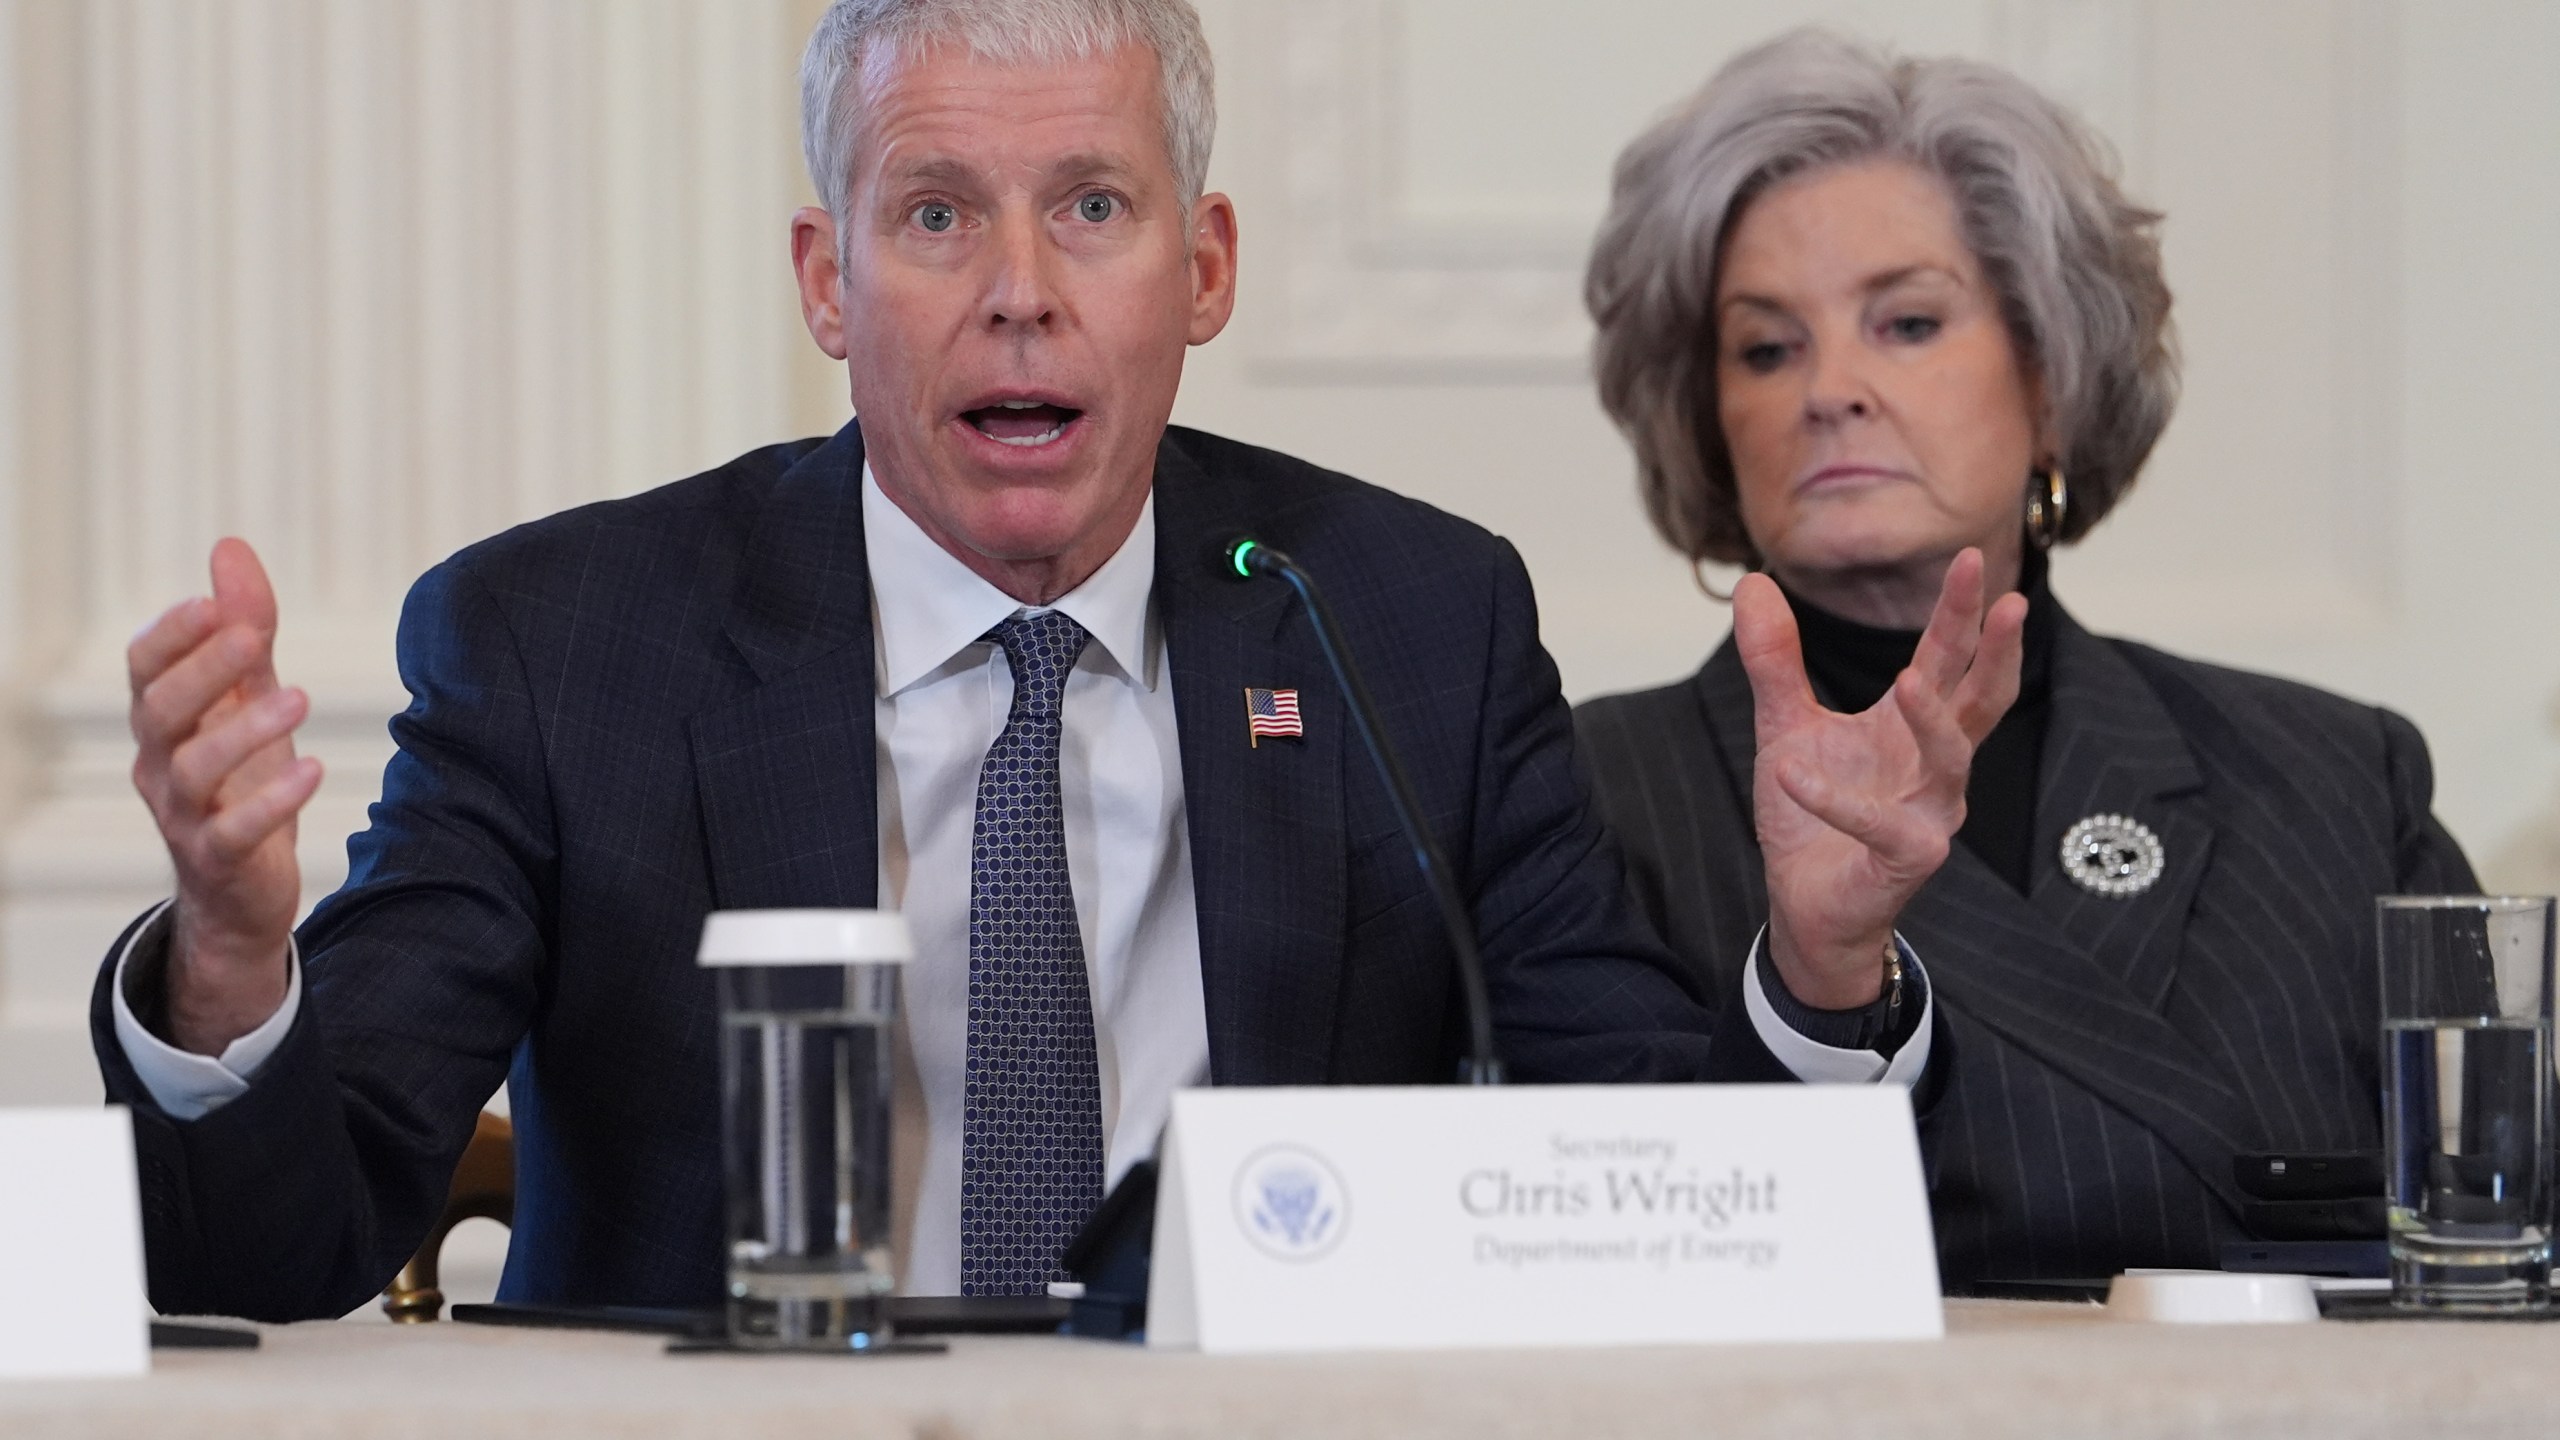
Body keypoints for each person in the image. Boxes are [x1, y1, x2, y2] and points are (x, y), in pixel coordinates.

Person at [99, 1, 2016, 1321]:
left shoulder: (1408, 622)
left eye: (1092, 207)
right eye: (936, 213)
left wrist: (1826, 966)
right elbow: (280, 1253)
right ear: (829, 284)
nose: (1021, 285)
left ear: (1202, 268)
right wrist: (230, 961)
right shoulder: (564, 643)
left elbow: (1668, 1221)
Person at [1575, 28, 2477, 1287]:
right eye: (1765, 347)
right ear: (1708, 422)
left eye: (1905, 322)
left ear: (2051, 382)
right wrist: (1817, 988)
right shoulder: (1575, 793)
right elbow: (1598, 1271)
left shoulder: (2334, 779)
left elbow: (2503, 1237)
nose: (1827, 388)